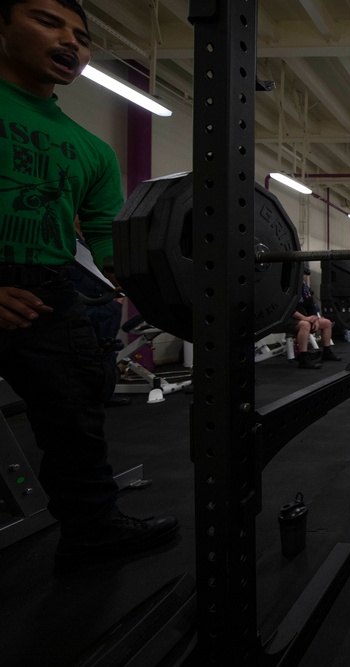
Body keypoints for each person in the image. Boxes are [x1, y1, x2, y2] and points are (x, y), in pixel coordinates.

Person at [0, 0, 177, 563]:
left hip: (47, 293)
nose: (71, 42)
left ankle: (92, 532)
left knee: (75, 421)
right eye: (48, 22)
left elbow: (112, 245)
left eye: (82, 35)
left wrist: (181, 292)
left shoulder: (93, 150)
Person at [286, 267, 341, 369]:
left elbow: (312, 307)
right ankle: (303, 358)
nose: (305, 277)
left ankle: (327, 352)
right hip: (289, 320)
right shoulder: (289, 289)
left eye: (306, 275)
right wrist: (306, 319)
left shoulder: (305, 290)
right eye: (303, 275)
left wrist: (315, 319)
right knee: (305, 325)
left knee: (326, 323)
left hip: (304, 319)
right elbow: (289, 310)